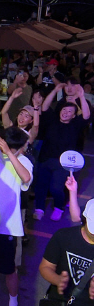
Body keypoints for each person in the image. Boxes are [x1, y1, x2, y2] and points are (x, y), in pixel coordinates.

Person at [0, 128, 33, 306]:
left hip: (7, 226)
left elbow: (25, 177)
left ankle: (13, 301)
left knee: (9, 268)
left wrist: (11, 154)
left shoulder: (24, 161)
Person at [34, 83, 90, 221]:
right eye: (64, 110)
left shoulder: (75, 125)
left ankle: (59, 207)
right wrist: (55, 90)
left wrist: (81, 97)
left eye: (70, 111)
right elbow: (45, 107)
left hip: (62, 163)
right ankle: (39, 209)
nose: (66, 113)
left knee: (56, 188)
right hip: (45, 159)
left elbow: (86, 115)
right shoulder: (52, 121)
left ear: (73, 116)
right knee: (41, 186)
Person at [39, 198, 94, 306]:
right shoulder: (63, 236)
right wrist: (58, 280)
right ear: (85, 218)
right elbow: (45, 267)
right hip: (59, 301)